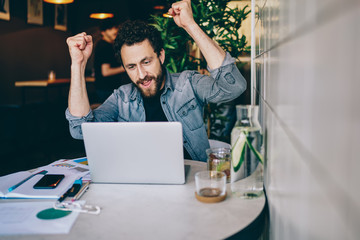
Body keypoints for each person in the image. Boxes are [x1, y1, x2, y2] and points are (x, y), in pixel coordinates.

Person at [65, 0, 246, 162]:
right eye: (131, 67)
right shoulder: (121, 98)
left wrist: (190, 25)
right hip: (141, 186)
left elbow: (233, 87)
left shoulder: (188, 84)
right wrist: (77, 64)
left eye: (146, 62)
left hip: (192, 183)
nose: (142, 74)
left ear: (161, 56)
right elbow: (80, 129)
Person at [93, 19, 130, 103]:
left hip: (106, 88)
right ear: (103, 32)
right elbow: (105, 72)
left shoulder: (108, 45)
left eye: (115, 28)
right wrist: (125, 67)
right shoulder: (104, 46)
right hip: (106, 89)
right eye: (110, 29)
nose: (114, 31)